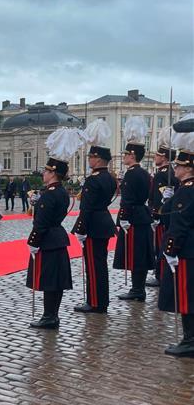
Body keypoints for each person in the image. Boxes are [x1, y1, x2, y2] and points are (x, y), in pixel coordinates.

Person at [26, 128, 84, 329]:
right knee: (55, 281)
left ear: (53, 173)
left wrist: (32, 241)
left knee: (49, 281)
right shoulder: (59, 192)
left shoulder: (50, 194)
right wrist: (37, 202)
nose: (43, 173)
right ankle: (52, 315)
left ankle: (49, 316)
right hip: (57, 238)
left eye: (46, 170)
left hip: (48, 240)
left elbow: (41, 222)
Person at [71, 119, 117, 314]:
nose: (89, 160)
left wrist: (80, 228)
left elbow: (87, 208)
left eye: (91, 157)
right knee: (100, 264)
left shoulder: (93, 179)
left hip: (93, 225)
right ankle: (100, 300)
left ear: (98, 159)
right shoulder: (110, 178)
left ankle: (95, 302)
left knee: (93, 265)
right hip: (104, 222)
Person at [158, 123, 194, 357]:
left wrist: (170, 250)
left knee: (186, 295)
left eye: (180, 166)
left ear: (189, 168)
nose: (176, 169)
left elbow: (180, 223)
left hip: (186, 250)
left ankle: (189, 340)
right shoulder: (185, 188)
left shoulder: (187, 189)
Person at [113, 117, 154, 302]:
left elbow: (127, 200)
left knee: (136, 255)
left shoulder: (131, 174)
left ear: (133, 155)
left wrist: (123, 218)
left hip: (133, 218)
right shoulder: (145, 173)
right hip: (142, 215)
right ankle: (138, 288)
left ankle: (137, 289)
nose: (124, 157)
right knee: (140, 254)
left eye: (126, 154)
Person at [146, 129, 178, 288]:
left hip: (161, 217)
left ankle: (160, 275)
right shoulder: (170, 172)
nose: (155, 157)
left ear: (164, 157)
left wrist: (155, 215)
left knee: (160, 246)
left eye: (157, 155)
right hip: (168, 216)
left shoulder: (162, 175)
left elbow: (159, 199)